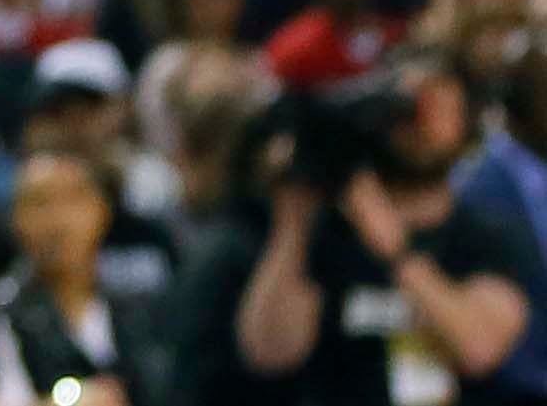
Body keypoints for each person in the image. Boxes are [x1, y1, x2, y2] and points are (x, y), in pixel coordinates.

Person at [179, 61, 535, 403]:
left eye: (436, 107)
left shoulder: (489, 236)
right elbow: (268, 352)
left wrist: (394, 249)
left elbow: (478, 348)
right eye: (405, 108)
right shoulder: (327, 234)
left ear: (467, 122)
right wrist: (294, 224)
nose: (417, 123)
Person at [0, 145, 154, 406]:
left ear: (102, 210)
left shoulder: (141, 307)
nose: (58, 220)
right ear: (15, 219)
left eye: (73, 199)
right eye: (40, 202)